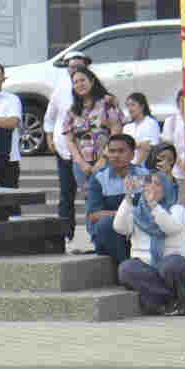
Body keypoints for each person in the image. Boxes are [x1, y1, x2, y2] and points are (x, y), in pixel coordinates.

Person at [60, 65, 123, 248]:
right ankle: (94, 240)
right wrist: (81, 163)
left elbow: (116, 132)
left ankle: (110, 239)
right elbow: (70, 140)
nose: (80, 84)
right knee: (90, 201)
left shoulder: (106, 103)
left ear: (92, 81)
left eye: (83, 80)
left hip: (107, 161)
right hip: (81, 164)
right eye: (76, 82)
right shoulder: (73, 110)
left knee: (108, 198)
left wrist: (104, 159)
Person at [113, 168, 185, 316]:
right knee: (126, 269)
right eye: (148, 183)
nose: (152, 187)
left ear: (166, 188)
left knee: (172, 266)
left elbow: (170, 228)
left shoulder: (177, 209)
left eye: (158, 184)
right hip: (146, 266)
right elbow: (119, 227)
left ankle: (162, 302)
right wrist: (128, 197)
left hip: (170, 262)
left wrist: (154, 205)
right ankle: (171, 301)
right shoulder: (136, 211)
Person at [42, 52, 94, 240]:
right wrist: (49, 139)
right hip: (64, 150)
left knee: (91, 195)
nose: (74, 70)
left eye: (79, 66)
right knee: (66, 194)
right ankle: (66, 234)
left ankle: (94, 235)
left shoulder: (94, 92)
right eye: (71, 67)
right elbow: (49, 118)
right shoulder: (60, 89)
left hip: (89, 154)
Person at [85, 133, 140, 267]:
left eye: (121, 151)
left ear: (132, 154)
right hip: (111, 230)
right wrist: (122, 215)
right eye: (112, 151)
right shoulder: (99, 178)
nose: (116, 155)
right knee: (105, 223)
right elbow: (94, 215)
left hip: (138, 226)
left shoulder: (144, 175)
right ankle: (125, 267)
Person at [122, 92, 160, 168]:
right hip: (127, 166)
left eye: (133, 105)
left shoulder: (150, 123)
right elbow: (123, 147)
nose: (130, 109)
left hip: (144, 168)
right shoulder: (127, 127)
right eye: (128, 106)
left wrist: (136, 166)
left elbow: (147, 148)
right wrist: (138, 145)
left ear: (142, 106)